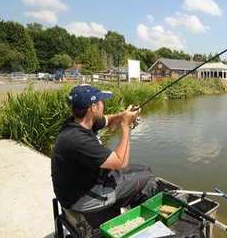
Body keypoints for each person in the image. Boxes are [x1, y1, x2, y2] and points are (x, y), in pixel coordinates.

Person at [51, 84, 159, 215]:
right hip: (81, 199)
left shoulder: (80, 121)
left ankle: (128, 206)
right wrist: (126, 126)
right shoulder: (78, 139)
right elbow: (120, 162)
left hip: (85, 182)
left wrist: (123, 115)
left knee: (145, 169)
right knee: (148, 179)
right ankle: (138, 219)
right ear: (93, 107)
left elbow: (107, 120)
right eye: (101, 101)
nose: (103, 104)